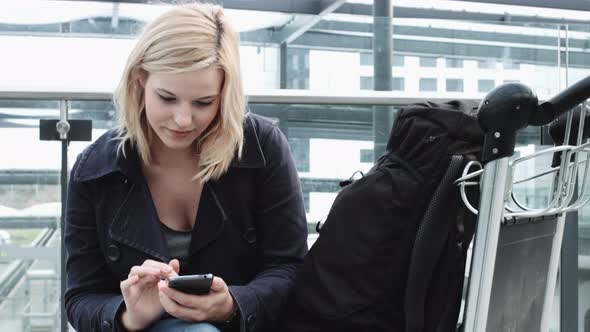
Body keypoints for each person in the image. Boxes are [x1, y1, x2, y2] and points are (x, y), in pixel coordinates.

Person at [64, 4, 308, 332]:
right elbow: (80, 297)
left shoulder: (261, 147)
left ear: (225, 94)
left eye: (203, 103)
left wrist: (231, 305)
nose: (183, 120)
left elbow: (289, 268)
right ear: (140, 80)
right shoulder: (94, 170)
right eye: (167, 98)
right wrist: (130, 314)